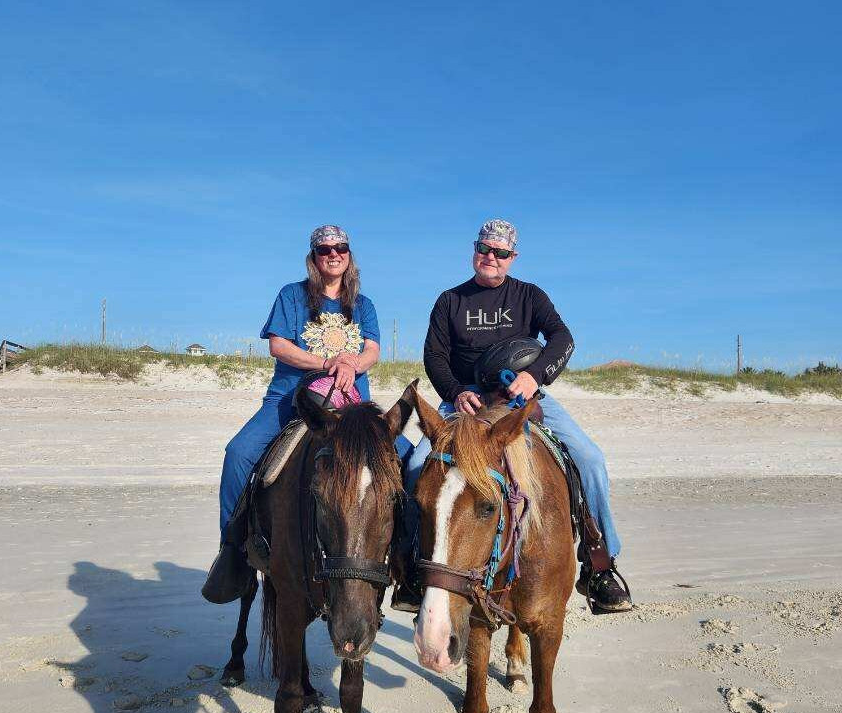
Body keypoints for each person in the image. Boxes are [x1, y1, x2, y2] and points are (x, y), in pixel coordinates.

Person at [395, 218, 632, 615]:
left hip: (522, 401)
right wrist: (457, 391)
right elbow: (434, 357)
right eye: (484, 249)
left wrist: (532, 376)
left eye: (500, 252)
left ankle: (600, 565)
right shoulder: (450, 301)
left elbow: (562, 338)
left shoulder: (529, 296)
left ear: (512, 257)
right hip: (464, 405)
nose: (491, 257)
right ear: (474, 251)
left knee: (589, 458)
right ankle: (416, 573)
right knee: (418, 467)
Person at [202, 224, 383, 602]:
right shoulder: (292, 296)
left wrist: (353, 365)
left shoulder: (362, 304)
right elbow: (279, 347)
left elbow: (372, 350)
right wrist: (326, 361)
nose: (333, 254)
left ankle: (406, 560)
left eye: (341, 248)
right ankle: (232, 553)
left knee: (404, 459)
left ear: (349, 255)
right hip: (290, 398)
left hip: (352, 406)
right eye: (324, 250)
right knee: (237, 453)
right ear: (314, 258)